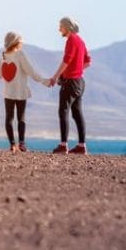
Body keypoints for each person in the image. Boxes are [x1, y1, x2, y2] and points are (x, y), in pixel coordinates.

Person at [0, 31, 47, 152]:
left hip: (8, 92)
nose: (22, 44)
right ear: (16, 42)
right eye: (21, 41)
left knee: (9, 118)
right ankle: (22, 144)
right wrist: (44, 81)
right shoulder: (20, 54)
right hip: (20, 92)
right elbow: (31, 71)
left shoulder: (3, 56)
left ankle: (12, 145)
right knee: (21, 118)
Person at [47, 17, 91, 154]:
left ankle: (63, 145)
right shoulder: (81, 41)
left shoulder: (71, 40)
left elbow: (66, 61)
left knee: (63, 111)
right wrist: (77, 70)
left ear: (67, 27)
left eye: (61, 26)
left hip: (70, 82)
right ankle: (81, 146)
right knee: (77, 113)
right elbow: (88, 62)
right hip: (79, 82)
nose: (59, 29)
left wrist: (55, 77)